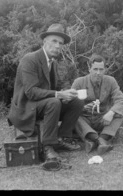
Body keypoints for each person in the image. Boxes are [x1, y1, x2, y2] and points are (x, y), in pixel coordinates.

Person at [7, 24, 84, 162]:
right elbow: (31, 92)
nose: (58, 46)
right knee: (54, 102)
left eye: (60, 43)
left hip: (41, 104)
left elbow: (55, 87)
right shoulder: (30, 59)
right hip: (26, 107)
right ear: (44, 42)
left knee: (76, 101)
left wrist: (66, 93)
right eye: (54, 41)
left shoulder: (52, 62)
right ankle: (47, 147)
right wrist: (58, 95)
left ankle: (61, 138)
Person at [71, 54, 123, 155]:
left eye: (101, 69)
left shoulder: (110, 81)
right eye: (95, 69)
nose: (98, 73)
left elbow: (121, 100)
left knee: (121, 115)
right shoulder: (79, 82)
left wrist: (111, 113)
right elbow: (70, 105)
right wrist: (82, 108)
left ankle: (100, 139)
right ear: (89, 69)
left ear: (105, 69)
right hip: (85, 119)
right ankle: (99, 141)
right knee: (73, 117)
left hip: (103, 119)